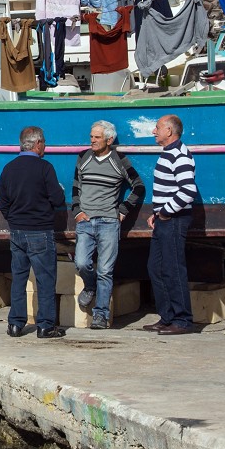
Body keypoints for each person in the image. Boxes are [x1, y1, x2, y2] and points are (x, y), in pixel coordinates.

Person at [72, 120, 145, 329]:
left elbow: (139, 186)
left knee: (105, 270)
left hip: (108, 223)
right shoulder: (83, 157)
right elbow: (76, 186)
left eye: (97, 137)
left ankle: (101, 315)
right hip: (85, 222)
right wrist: (77, 211)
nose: (92, 140)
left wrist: (123, 211)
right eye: (91, 136)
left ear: (109, 139)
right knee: (81, 262)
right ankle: (90, 286)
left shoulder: (119, 160)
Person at [0, 125, 67, 339]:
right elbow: (58, 200)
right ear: (37, 144)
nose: (45, 146)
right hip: (39, 231)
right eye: (44, 142)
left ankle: (15, 325)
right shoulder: (45, 168)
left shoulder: (8, 168)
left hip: (17, 231)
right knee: (45, 280)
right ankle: (45, 325)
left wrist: (15, 219)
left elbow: (3, 203)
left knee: (19, 278)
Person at [145, 115, 197, 334]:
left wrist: (165, 212)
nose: (153, 132)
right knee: (155, 268)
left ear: (169, 131)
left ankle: (182, 320)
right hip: (164, 219)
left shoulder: (180, 155)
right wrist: (156, 213)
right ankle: (167, 316)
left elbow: (188, 191)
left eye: (157, 128)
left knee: (173, 269)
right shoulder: (167, 153)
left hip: (174, 220)